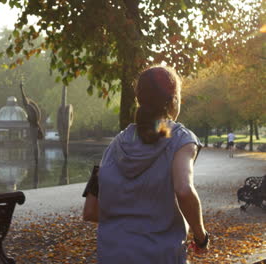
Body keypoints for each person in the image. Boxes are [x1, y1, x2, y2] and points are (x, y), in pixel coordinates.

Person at [83, 66, 209, 263]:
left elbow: (90, 210)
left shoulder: (117, 143)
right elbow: (184, 191)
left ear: (138, 99)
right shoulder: (180, 139)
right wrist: (201, 238)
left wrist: (128, 224)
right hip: (159, 255)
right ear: (173, 100)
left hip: (112, 254)